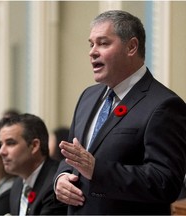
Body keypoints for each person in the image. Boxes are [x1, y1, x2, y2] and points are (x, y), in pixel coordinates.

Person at [54, 10, 186, 215]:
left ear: (131, 46)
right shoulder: (87, 97)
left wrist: (97, 171)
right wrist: (61, 178)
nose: (92, 52)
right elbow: (71, 156)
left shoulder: (164, 105)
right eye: (91, 44)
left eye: (103, 43)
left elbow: (165, 182)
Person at [0, 113, 67, 215]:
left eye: (10, 143)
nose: (1, 151)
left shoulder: (56, 184)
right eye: (1, 144)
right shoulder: (17, 185)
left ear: (34, 146)